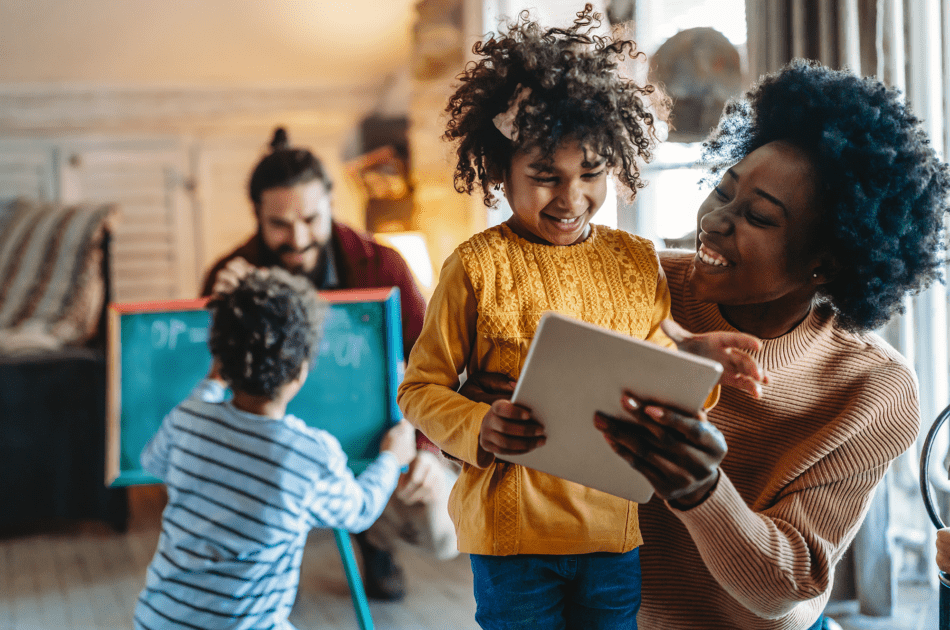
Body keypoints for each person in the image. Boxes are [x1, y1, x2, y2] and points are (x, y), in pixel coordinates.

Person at [396, 6, 766, 629]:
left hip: (612, 531)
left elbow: (654, 371)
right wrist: (478, 424)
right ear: (500, 172)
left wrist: (696, 362)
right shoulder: (476, 267)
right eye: (544, 177)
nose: (570, 198)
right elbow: (418, 389)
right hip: (512, 537)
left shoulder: (634, 260)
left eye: (591, 174)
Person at [558, 60, 945, 629]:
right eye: (723, 190)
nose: (716, 221)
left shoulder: (872, 388)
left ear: (825, 262)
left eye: (759, 218)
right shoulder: (631, 283)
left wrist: (701, 491)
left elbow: (785, 587)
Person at [201, 128, 459, 601]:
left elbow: (434, 364)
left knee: (443, 533)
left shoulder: (383, 266)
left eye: (310, 219)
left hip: (372, 442)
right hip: (271, 450)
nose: (297, 238)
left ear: (331, 204)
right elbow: (203, 378)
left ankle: (373, 536)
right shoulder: (231, 271)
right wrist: (216, 303)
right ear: (257, 215)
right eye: (279, 224)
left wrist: (426, 447)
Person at [133, 268, 417, 630]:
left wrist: (211, 379)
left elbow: (152, 461)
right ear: (300, 371)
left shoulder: (187, 419)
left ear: (220, 355)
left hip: (159, 620)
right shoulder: (308, 455)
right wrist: (392, 459)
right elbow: (359, 511)